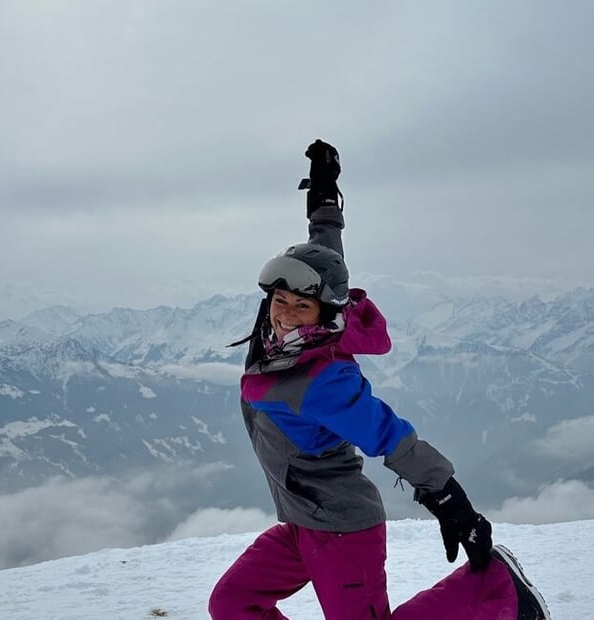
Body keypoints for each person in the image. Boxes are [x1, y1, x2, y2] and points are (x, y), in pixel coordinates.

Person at [209, 140, 549, 620]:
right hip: (302, 524)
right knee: (232, 603)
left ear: (324, 313)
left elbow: (390, 436)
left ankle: (496, 583)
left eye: (300, 306)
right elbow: (326, 254)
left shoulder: (323, 380)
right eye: (280, 300)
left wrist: (450, 500)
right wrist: (324, 198)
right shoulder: (284, 340)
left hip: (344, 529)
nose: (284, 314)